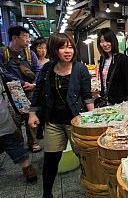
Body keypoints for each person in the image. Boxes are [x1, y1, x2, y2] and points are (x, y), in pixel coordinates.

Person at [28, 33, 94, 198]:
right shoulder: (47, 68)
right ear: (54, 49)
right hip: (53, 122)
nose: (68, 51)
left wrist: (92, 118)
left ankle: (93, 190)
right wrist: (32, 113)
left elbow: (87, 95)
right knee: (50, 160)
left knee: (85, 158)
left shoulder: (80, 68)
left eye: (70, 46)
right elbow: (38, 92)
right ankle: (47, 194)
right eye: (62, 47)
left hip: (76, 121)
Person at [0, 26, 41, 153]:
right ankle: (18, 144)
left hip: (30, 90)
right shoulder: (3, 53)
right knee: (14, 119)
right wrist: (21, 83)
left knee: (31, 115)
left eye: (28, 37)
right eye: (25, 36)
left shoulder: (30, 54)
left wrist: (34, 84)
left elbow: (38, 70)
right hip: (12, 91)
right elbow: (3, 71)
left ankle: (33, 142)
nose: (28, 39)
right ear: (14, 37)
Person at [0, 76, 37, 183]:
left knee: (10, 142)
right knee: (11, 143)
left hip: (2, 116)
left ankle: (29, 170)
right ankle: (29, 170)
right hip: (2, 115)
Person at [96, 28, 128, 106]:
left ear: (113, 41)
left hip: (119, 102)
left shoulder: (122, 58)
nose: (105, 44)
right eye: (102, 41)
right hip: (106, 100)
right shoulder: (102, 59)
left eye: (107, 41)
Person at [30, 37, 49, 139]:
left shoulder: (50, 62)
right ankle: (38, 130)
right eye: (40, 48)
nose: (43, 51)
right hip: (35, 91)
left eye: (45, 48)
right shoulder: (32, 62)